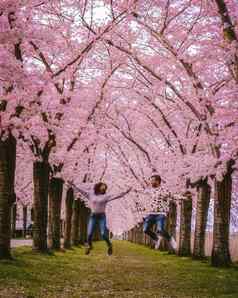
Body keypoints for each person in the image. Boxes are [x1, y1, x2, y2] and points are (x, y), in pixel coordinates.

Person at [73, 182, 132, 255]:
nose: (104, 188)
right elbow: (81, 191)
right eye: (103, 186)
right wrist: (73, 185)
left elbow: (117, 195)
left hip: (102, 216)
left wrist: (126, 191)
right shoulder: (91, 195)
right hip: (93, 216)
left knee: (103, 233)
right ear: (98, 187)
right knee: (89, 233)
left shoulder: (106, 196)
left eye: (105, 187)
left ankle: (109, 245)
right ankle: (89, 246)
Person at [142, 174, 177, 251]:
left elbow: (173, 196)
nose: (151, 182)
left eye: (152, 180)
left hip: (161, 213)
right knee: (145, 229)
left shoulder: (164, 190)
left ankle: (170, 239)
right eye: (150, 180)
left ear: (158, 181)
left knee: (160, 229)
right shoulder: (149, 191)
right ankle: (156, 238)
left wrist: (184, 197)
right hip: (151, 213)